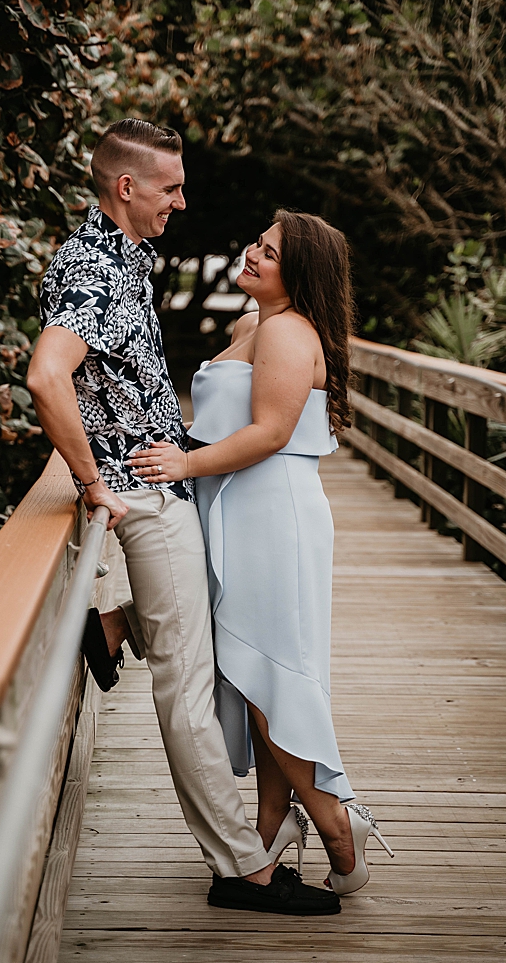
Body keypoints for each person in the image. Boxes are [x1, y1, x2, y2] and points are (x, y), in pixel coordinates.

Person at [27, 119, 338, 915]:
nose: (183, 201)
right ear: (127, 188)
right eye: (170, 187)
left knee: (199, 638)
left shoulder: (127, 258)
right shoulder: (92, 268)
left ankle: (114, 626)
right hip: (145, 494)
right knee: (189, 683)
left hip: (169, 487)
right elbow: (46, 375)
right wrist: (95, 481)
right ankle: (244, 868)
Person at [128, 210, 393, 896]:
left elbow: (273, 430)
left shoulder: (285, 330)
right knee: (259, 676)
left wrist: (183, 465)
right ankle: (272, 824)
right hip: (244, 507)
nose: (252, 252)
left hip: (272, 513)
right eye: (257, 240)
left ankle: (336, 822)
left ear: (299, 272)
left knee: (263, 670)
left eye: (269, 252)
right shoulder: (256, 323)